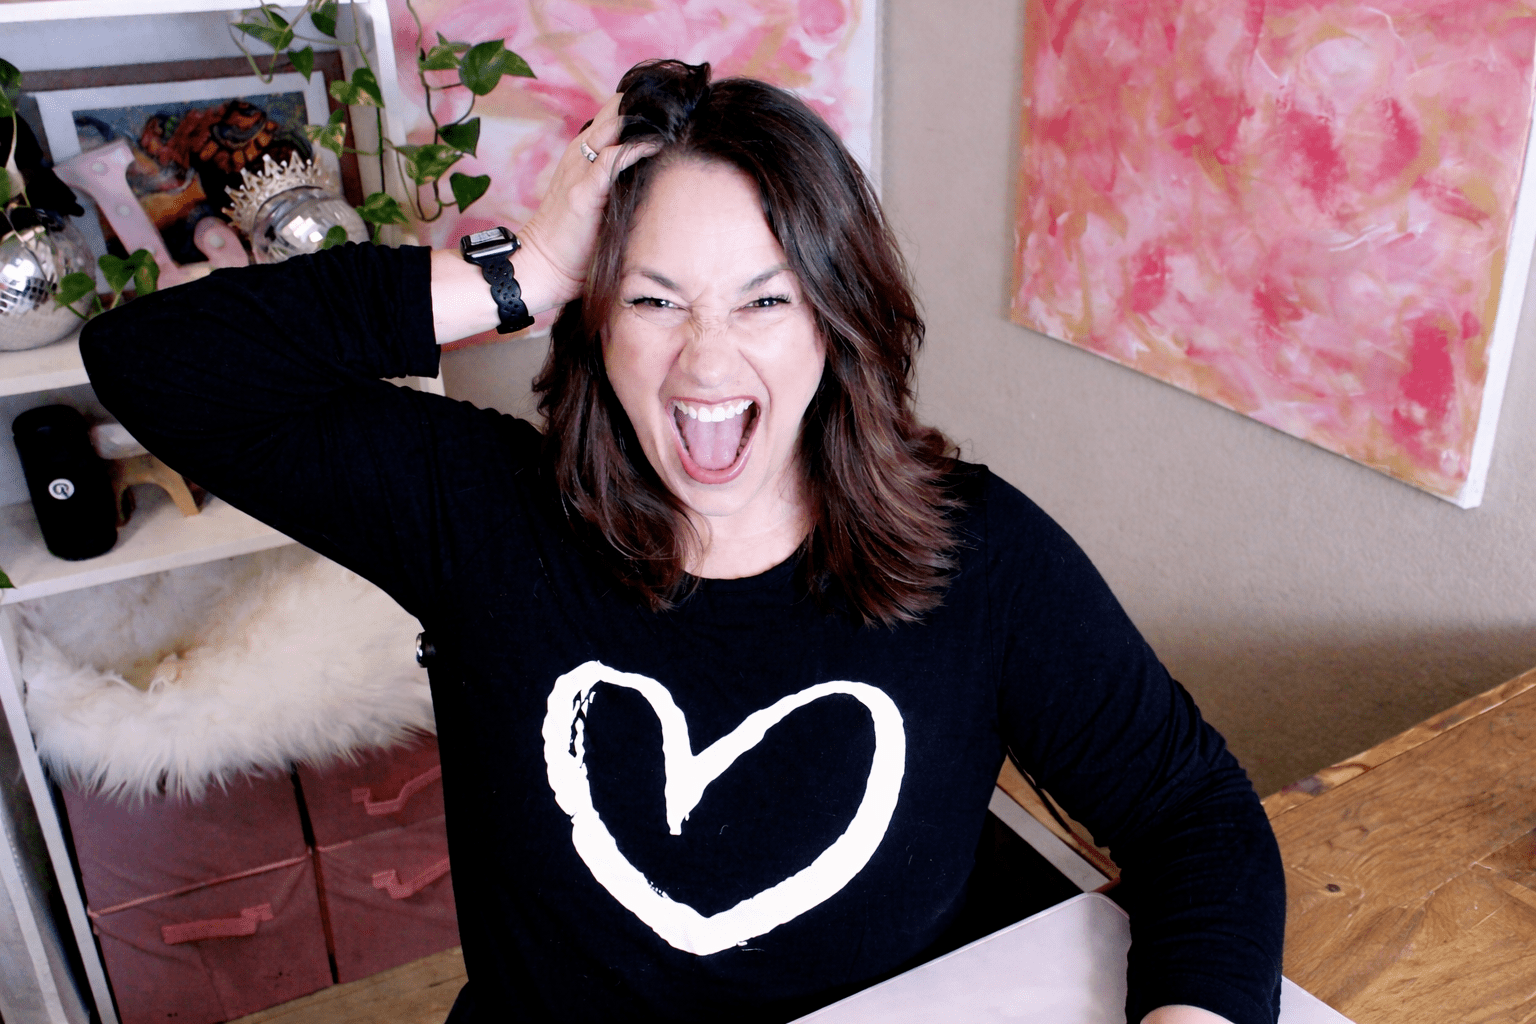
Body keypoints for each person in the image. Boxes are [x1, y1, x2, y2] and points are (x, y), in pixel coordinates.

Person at [82, 59, 1284, 1024]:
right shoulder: (486, 511)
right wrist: (521, 268)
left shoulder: (980, 554)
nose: (708, 360)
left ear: (835, 320)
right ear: (595, 322)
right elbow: (153, 366)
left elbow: (1195, 815)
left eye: (765, 299)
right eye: (654, 299)